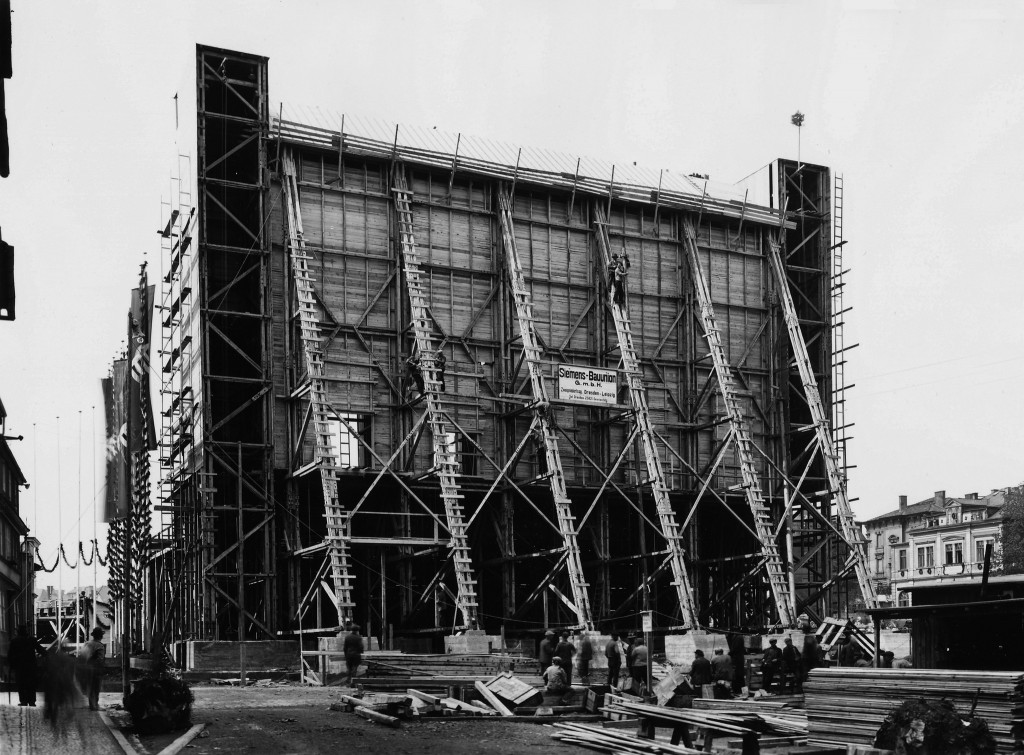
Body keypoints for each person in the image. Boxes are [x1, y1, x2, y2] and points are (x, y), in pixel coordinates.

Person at [7, 624, 42, 706]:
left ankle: (23, 701)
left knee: (21, 684)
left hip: (20, 666)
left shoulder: (14, 641)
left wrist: (11, 665)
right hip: (31, 666)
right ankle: (32, 701)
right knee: (31, 684)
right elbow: (40, 649)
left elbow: (10, 654)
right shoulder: (32, 640)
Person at [77, 626, 107, 710]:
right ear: (100, 636)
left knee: (90, 687)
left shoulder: (86, 643)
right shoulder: (100, 646)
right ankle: (94, 705)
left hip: (86, 669)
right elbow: (100, 659)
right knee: (96, 688)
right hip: (95, 670)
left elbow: (81, 656)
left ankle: (91, 704)